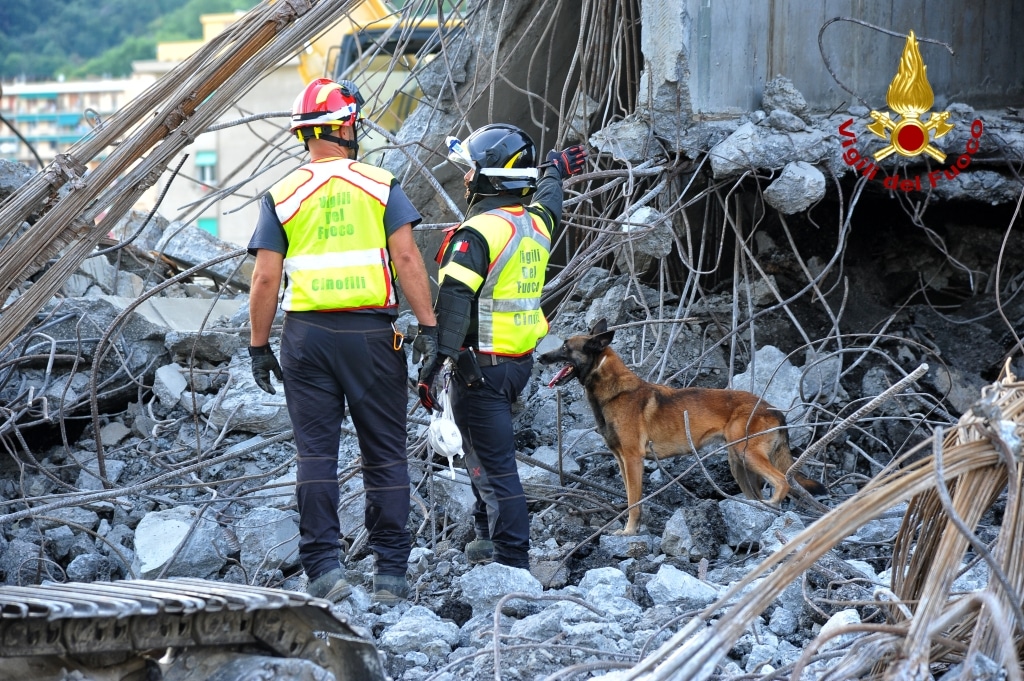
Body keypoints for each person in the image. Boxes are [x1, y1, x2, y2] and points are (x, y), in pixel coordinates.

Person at [247, 78, 438, 605]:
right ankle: (391, 574)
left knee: (315, 456)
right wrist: (429, 325)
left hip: (306, 339)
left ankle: (324, 570)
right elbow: (407, 260)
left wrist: (258, 346)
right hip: (372, 338)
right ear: (348, 125)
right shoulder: (380, 185)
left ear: (304, 134)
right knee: (385, 453)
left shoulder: (281, 194)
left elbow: (265, 278)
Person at [415, 124, 586, 569]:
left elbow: (452, 307)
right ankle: (486, 536)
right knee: (480, 453)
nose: (466, 178)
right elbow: (551, 202)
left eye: (470, 170)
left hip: (481, 371)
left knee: (495, 468)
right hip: (516, 367)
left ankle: (512, 560)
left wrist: (432, 368)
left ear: (488, 177)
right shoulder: (535, 225)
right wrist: (553, 172)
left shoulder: (477, 234)